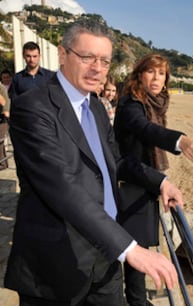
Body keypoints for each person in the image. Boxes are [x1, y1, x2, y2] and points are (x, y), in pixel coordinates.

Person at [5, 20, 182, 306]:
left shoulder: (97, 107)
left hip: (105, 256)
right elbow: (62, 186)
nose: (97, 68)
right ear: (63, 55)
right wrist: (130, 249)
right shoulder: (32, 107)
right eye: (87, 57)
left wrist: (160, 181)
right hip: (56, 266)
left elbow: (117, 161)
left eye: (104, 61)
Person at [114, 53, 193, 306]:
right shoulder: (131, 103)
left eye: (162, 73)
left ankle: (136, 298)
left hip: (144, 180)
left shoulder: (154, 102)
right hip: (131, 181)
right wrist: (181, 140)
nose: (157, 78)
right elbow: (147, 130)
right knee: (135, 245)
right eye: (151, 72)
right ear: (140, 74)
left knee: (139, 243)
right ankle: (136, 301)